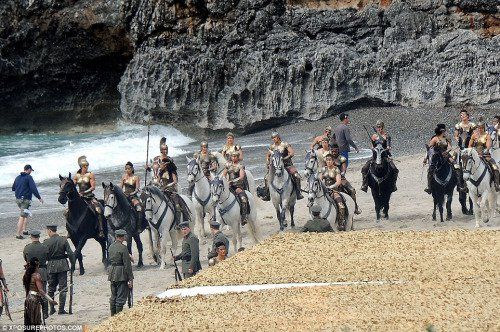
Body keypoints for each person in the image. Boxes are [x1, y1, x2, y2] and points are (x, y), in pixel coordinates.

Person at [151, 138, 189, 224]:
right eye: (163, 149)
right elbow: (154, 171)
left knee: (177, 205)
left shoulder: (171, 166)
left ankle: (179, 223)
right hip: (160, 186)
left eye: (166, 149)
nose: (165, 151)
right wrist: (149, 169)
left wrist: (167, 186)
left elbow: (175, 180)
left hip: (170, 188)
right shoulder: (157, 162)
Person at [423, 124, 466, 193]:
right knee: (430, 169)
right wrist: (425, 158)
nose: (444, 132)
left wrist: (447, 151)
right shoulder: (435, 138)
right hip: (436, 155)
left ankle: (459, 185)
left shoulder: (446, 138)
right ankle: (429, 187)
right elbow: (429, 149)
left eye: (444, 131)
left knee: (456, 166)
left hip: (445, 155)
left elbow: (449, 147)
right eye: (443, 131)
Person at [43, 224, 75, 315]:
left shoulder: (46, 242)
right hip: (62, 265)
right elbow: (70, 253)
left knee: (51, 288)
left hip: (51, 266)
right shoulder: (63, 239)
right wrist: (72, 265)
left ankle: (52, 309)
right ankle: (61, 309)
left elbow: (44, 256)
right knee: (63, 288)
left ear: (49, 231)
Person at [262, 132, 303, 200]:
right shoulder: (272, 146)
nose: (274, 139)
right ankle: (267, 194)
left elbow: (291, 153)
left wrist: (284, 158)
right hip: (276, 166)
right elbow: (268, 155)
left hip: (287, 164)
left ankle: (298, 193)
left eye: (275, 137)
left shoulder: (285, 144)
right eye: (272, 138)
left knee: (296, 176)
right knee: (266, 178)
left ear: (278, 137)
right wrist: (267, 161)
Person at [361, 120, 399, 193]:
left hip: (384, 156)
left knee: (394, 169)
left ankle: (393, 185)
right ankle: (364, 184)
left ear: (383, 127)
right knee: (364, 168)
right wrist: (373, 147)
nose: (379, 128)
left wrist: (386, 148)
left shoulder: (386, 136)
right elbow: (372, 146)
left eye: (380, 127)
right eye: (377, 127)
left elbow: (389, 147)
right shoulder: (374, 136)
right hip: (375, 156)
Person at [73, 156, 105, 237]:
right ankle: (71, 230)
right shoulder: (77, 176)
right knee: (68, 211)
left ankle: (101, 229)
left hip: (89, 196)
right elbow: (73, 186)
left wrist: (84, 192)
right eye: (84, 166)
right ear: (81, 166)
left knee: (98, 210)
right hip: (80, 197)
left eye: (87, 166)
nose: (86, 167)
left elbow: (93, 187)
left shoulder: (90, 174)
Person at [23, 257, 57, 327]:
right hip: (34, 300)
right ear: (37, 265)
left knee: (29, 320)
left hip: (28, 299)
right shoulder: (37, 276)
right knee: (36, 320)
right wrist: (51, 300)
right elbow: (41, 291)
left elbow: (27, 290)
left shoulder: (26, 275)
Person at [12, 165, 43, 239]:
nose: (31, 172)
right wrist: (39, 198)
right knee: (22, 216)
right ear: (28, 169)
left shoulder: (17, 177)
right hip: (25, 200)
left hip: (18, 199)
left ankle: (24, 230)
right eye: (31, 170)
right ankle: (18, 234)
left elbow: (13, 188)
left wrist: (20, 189)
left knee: (26, 213)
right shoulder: (29, 177)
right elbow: (33, 188)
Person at [23, 230, 49, 319]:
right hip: (42, 271)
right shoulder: (44, 247)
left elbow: (25, 259)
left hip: (30, 272)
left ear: (31, 237)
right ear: (39, 236)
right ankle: (45, 313)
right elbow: (47, 258)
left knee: (31, 292)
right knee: (43, 291)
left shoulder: (27, 248)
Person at [469, 119, 500, 191]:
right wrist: (473, 152)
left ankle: (496, 184)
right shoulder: (474, 135)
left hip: (485, 155)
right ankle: (464, 185)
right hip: (475, 154)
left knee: (495, 167)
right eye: (479, 128)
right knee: (466, 165)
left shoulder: (487, 136)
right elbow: (470, 145)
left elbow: (488, 146)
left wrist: (484, 152)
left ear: (484, 128)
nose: (480, 129)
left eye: (481, 128)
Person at [108, 229, 133, 316]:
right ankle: (118, 317)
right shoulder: (123, 248)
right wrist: (130, 279)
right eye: (124, 236)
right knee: (121, 297)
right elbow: (127, 265)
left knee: (113, 296)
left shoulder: (111, 246)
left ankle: (112, 315)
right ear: (123, 237)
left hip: (112, 272)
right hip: (121, 274)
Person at [330, 144, 361, 214]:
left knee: (352, 190)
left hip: (341, 178)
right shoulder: (328, 158)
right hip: (329, 179)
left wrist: (341, 174)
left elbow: (344, 168)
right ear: (331, 151)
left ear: (338, 150)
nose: (334, 153)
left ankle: (355, 207)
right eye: (333, 151)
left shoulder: (342, 158)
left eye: (335, 151)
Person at [222, 151, 250, 225]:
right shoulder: (228, 165)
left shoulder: (240, 166)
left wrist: (231, 181)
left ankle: (244, 217)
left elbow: (241, 177)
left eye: (235, 156)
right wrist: (225, 180)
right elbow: (223, 175)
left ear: (238, 157)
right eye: (232, 156)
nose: (234, 158)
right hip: (229, 186)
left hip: (238, 186)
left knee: (243, 199)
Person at [319, 153, 347, 225]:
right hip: (324, 190)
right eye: (327, 160)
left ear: (333, 161)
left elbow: (338, 182)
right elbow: (320, 180)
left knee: (341, 205)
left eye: (330, 160)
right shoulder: (323, 169)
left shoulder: (336, 169)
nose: (328, 162)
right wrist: (323, 186)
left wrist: (330, 187)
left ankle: (341, 222)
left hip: (334, 191)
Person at [121, 161, 143, 230]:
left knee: (139, 208)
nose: (127, 170)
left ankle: (139, 226)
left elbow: (137, 189)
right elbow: (120, 187)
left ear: (132, 169)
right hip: (124, 196)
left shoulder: (136, 177)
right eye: (126, 169)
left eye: (129, 169)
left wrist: (132, 193)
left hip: (133, 196)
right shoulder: (123, 177)